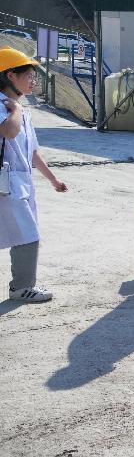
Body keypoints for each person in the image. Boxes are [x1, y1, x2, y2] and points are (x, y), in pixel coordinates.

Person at [0, 47, 68, 302]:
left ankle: (21, 285)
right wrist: (16, 110)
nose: (33, 81)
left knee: (23, 233)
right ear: (10, 75)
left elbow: (32, 153)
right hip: (7, 182)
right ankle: (21, 288)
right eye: (28, 76)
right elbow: (9, 132)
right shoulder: (7, 107)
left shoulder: (20, 109)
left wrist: (53, 180)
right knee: (27, 234)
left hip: (19, 182)